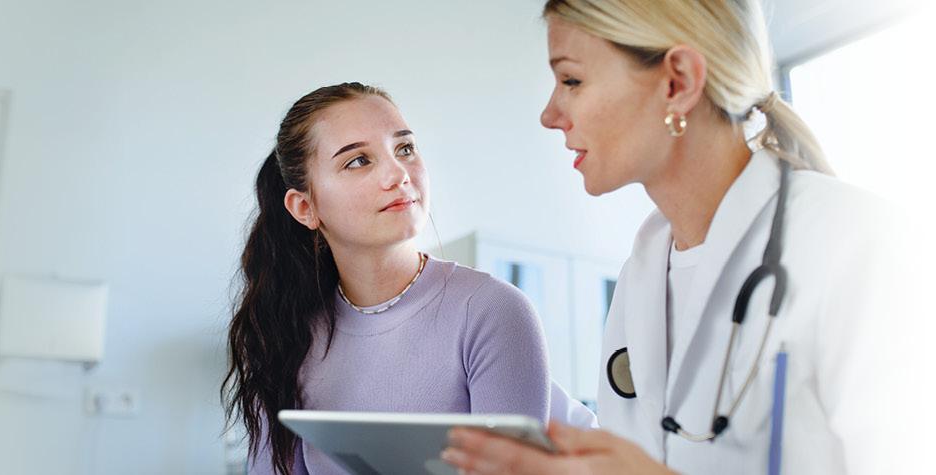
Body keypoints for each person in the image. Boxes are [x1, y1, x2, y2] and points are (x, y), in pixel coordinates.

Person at [441, 1, 901, 474]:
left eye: (572, 80)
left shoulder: (856, 242)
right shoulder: (641, 277)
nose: (550, 114)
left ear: (677, 81)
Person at [223, 82, 590, 475]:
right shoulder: (283, 336)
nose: (398, 174)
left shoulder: (491, 311)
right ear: (305, 207)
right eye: (358, 161)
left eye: (405, 149)